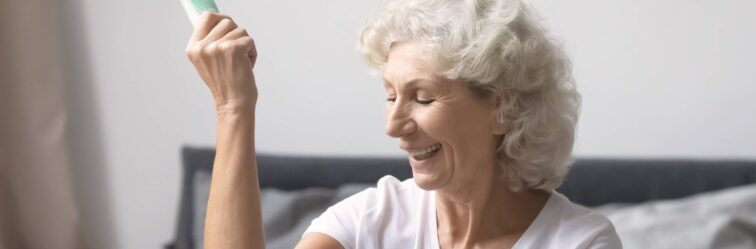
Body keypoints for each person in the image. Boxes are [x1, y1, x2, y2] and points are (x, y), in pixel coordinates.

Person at [185, 0, 622, 248]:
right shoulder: (371, 221)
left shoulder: (581, 242)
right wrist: (233, 108)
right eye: (390, 95)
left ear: (502, 109)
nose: (393, 126)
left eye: (423, 97)